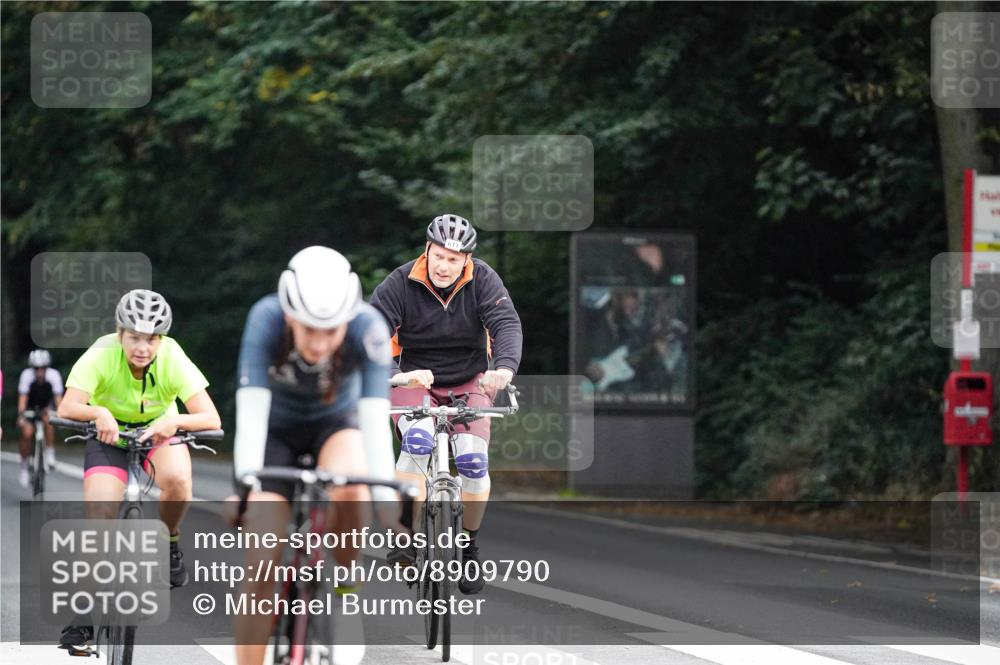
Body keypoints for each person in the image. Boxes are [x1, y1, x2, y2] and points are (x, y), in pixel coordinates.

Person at [232, 246, 396, 665]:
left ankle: (345, 587)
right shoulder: (265, 318)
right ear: (290, 316)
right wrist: (245, 487)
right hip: (277, 432)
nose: (320, 343)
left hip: (336, 425)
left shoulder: (368, 326)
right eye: (309, 330)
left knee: (352, 487)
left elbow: (376, 422)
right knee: (260, 568)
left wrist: (390, 506)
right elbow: (250, 414)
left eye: (331, 331)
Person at [56, 289, 221, 652]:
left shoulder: (173, 356)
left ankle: (171, 543)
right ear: (120, 333)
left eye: (151, 339)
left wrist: (175, 421)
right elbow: (68, 405)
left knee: (178, 479)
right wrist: (99, 413)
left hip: (156, 433)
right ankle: (82, 616)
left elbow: (210, 417)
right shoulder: (101, 352)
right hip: (106, 436)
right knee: (99, 517)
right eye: (134, 337)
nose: (142, 347)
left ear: (161, 339)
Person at [370, 213, 522, 595]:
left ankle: (469, 545)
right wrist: (396, 373)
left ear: (466, 261)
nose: (444, 265)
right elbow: (369, 334)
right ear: (427, 250)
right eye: (439, 256)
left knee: (473, 460)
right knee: (417, 440)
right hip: (411, 379)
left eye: (454, 259)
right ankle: (405, 538)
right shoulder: (400, 283)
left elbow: (505, 323)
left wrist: (503, 368)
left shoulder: (484, 280)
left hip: (469, 379)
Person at [17, 349, 64, 486]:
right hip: (30, 408)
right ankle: (24, 467)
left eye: (43, 368)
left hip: (46, 407)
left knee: (48, 420)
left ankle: (49, 452)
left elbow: (58, 401)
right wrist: (21, 415)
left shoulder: (54, 376)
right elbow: (22, 400)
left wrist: (59, 415)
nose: (39, 371)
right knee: (26, 433)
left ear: (47, 368)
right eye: (36, 368)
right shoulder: (26, 376)